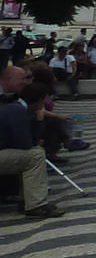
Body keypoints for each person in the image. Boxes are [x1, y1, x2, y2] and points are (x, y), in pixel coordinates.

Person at [0, 78, 63, 218]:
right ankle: (35, 204)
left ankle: (28, 200)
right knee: (35, 155)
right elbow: (27, 144)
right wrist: (39, 121)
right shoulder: (17, 111)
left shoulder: (14, 108)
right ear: (39, 101)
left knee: (30, 156)